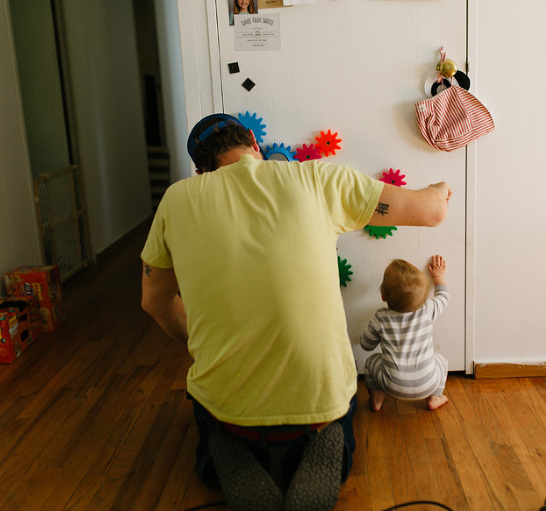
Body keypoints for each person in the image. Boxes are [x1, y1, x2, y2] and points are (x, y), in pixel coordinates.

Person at [140, 112, 452, 511]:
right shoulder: (317, 179)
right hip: (318, 406)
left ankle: (229, 451)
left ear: (200, 170)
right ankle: (325, 445)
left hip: (229, 409)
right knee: (332, 412)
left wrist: (199, 339)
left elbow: (153, 300)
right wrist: (440, 188)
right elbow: (431, 211)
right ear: (255, 142)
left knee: (214, 419)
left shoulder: (177, 200)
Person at [360, 255, 450, 412]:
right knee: (442, 361)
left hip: (390, 385)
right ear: (423, 298)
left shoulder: (380, 317)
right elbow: (443, 296)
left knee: (370, 362)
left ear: (383, 296)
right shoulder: (427, 310)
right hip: (427, 383)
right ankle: (434, 397)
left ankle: (376, 398)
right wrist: (438, 276)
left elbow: (366, 345)